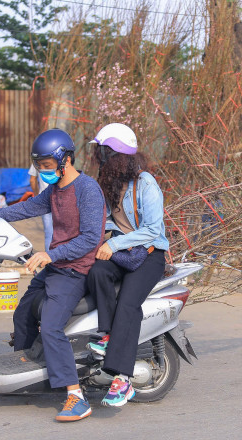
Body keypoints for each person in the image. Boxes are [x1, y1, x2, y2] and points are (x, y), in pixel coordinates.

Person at [0, 128, 105, 422]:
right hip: (56, 266)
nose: (43, 171)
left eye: (47, 166)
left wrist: (51, 254)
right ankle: (28, 374)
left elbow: (91, 237)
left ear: (65, 160)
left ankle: (76, 396)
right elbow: (22, 209)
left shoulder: (88, 190)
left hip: (76, 270)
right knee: (23, 312)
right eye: (39, 166)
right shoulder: (53, 192)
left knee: (51, 326)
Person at [84, 123, 170, 407]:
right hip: (124, 251)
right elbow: (109, 221)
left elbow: (153, 230)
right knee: (96, 271)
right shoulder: (112, 183)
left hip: (149, 254)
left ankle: (122, 380)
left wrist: (113, 244)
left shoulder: (146, 183)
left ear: (118, 156)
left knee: (128, 304)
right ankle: (108, 334)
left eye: (105, 153)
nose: (101, 159)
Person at [28, 165, 53, 251]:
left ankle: (50, 261)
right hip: (61, 198)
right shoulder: (61, 156)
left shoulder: (37, 159)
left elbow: (32, 180)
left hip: (44, 200)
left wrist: (37, 196)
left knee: (49, 233)